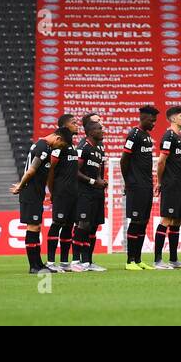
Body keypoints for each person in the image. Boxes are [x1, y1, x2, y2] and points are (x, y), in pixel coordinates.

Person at [10, 130, 65, 274]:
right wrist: (20, 186)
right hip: (30, 193)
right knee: (32, 228)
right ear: (57, 138)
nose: (59, 148)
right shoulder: (43, 148)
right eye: (61, 145)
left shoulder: (43, 146)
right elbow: (31, 170)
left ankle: (38, 264)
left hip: (35, 193)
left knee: (36, 227)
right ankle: (33, 266)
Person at [119, 105, 158, 270]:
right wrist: (128, 182)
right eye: (152, 120)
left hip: (147, 185)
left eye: (155, 120)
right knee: (135, 222)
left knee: (143, 222)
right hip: (136, 185)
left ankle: (139, 259)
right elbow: (124, 160)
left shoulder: (147, 137)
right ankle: (130, 261)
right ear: (143, 118)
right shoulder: (133, 135)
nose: (154, 123)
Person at [154, 105, 181, 270]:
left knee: (177, 221)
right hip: (170, 184)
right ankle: (158, 260)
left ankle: (174, 259)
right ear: (173, 119)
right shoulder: (168, 136)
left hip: (179, 184)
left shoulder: (179, 138)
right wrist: (159, 182)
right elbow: (161, 161)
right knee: (166, 219)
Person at [45, 114, 80, 271]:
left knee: (69, 226)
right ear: (65, 127)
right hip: (61, 192)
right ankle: (51, 262)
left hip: (73, 193)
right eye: (73, 123)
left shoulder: (72, 146)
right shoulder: (59, 147)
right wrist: (53, 191)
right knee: (57, 224)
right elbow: (51, 169)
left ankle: (65, 263)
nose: (76, 124)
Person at [73, 114, 107, 272]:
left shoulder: (99, 147)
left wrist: (100, 180)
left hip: (96, 192)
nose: (103, 130)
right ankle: (76, 261)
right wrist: (93, 181)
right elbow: (75, 171)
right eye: (99, 128)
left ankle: (88, 261)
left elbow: (99, 168)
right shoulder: (83, 147)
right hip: (84, 192)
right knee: (83, 224)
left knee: (93, 226)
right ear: (91, 131)